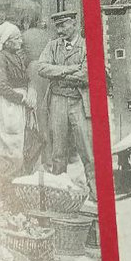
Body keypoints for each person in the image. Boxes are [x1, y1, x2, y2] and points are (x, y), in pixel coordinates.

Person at [36, 10, 92, 190]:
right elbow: (42, 68)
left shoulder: (86, 45)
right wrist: (68, 70)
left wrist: (58, 73)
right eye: (57, 27)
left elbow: (86, 75)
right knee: (58, 151)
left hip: (78, 102)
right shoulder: (52, 46)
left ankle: (95, 192)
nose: (60, 31)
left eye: (63, 25)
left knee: (87, 150)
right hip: (58, 101)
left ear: (74, 24)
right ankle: (59, 192)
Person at [0, 21, 30, 176]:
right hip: (6, 106)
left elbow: (24, 79)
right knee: (7, 144)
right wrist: (22, 98)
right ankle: (6, 183)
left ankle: (16, 180)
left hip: (17, 105)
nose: (20, 41)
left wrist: (29, 93)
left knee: (19, 143)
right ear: (7, 41)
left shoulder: (15, 56)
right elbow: (2, 87)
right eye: (17, 39)